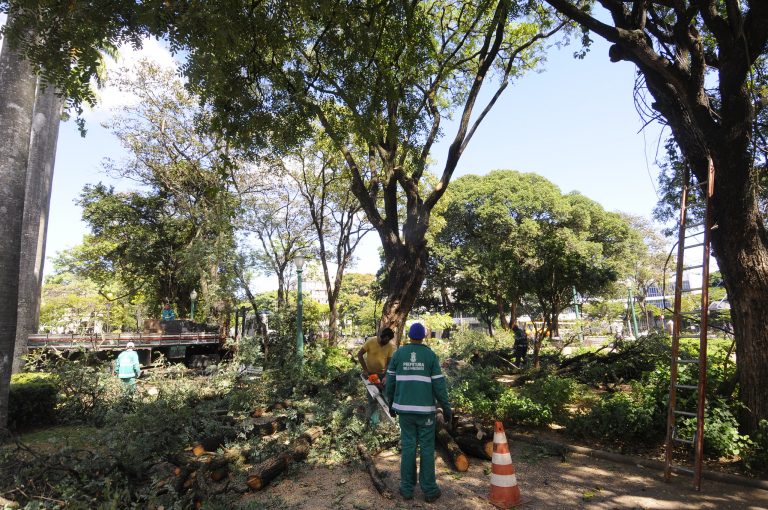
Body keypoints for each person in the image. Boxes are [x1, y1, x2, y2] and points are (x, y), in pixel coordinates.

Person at [385, 322, 451, 503]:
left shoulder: (399, 354)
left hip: (405, 412)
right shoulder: (430, 355)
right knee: (427, 449)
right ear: (423, 336)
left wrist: (390, 404)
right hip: (426, 413)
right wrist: (446, 408)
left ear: (409, 336)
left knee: (408, 447)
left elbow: (390, 383)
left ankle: (406, 489)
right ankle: (430, 490)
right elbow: (439, 385)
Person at [358, 327, 396, 427]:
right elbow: (360, 354)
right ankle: (373, 423)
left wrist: (386, 376)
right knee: (372, 398)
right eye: (384, 340)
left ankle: (388, 423)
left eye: (388, 341)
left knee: (386, 397)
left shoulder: (390, 346)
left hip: (383, 375)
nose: (385, 343)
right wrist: (365, 370)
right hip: (370, 374)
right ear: (380, 337)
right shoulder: (371, 341)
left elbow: (390, 363)